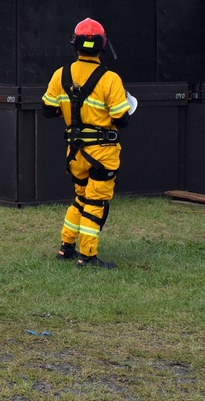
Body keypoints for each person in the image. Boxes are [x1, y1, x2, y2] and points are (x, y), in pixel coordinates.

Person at [41, 18, 132, 269]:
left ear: (75, 45)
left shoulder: (61, 75)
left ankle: (66, 248)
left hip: (76, 154)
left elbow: (48, 111)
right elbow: (121, 119)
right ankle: (88, 257)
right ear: (102, 46)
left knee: (80, 199)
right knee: (95, 202)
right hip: (103, 155)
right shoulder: (110, 79)